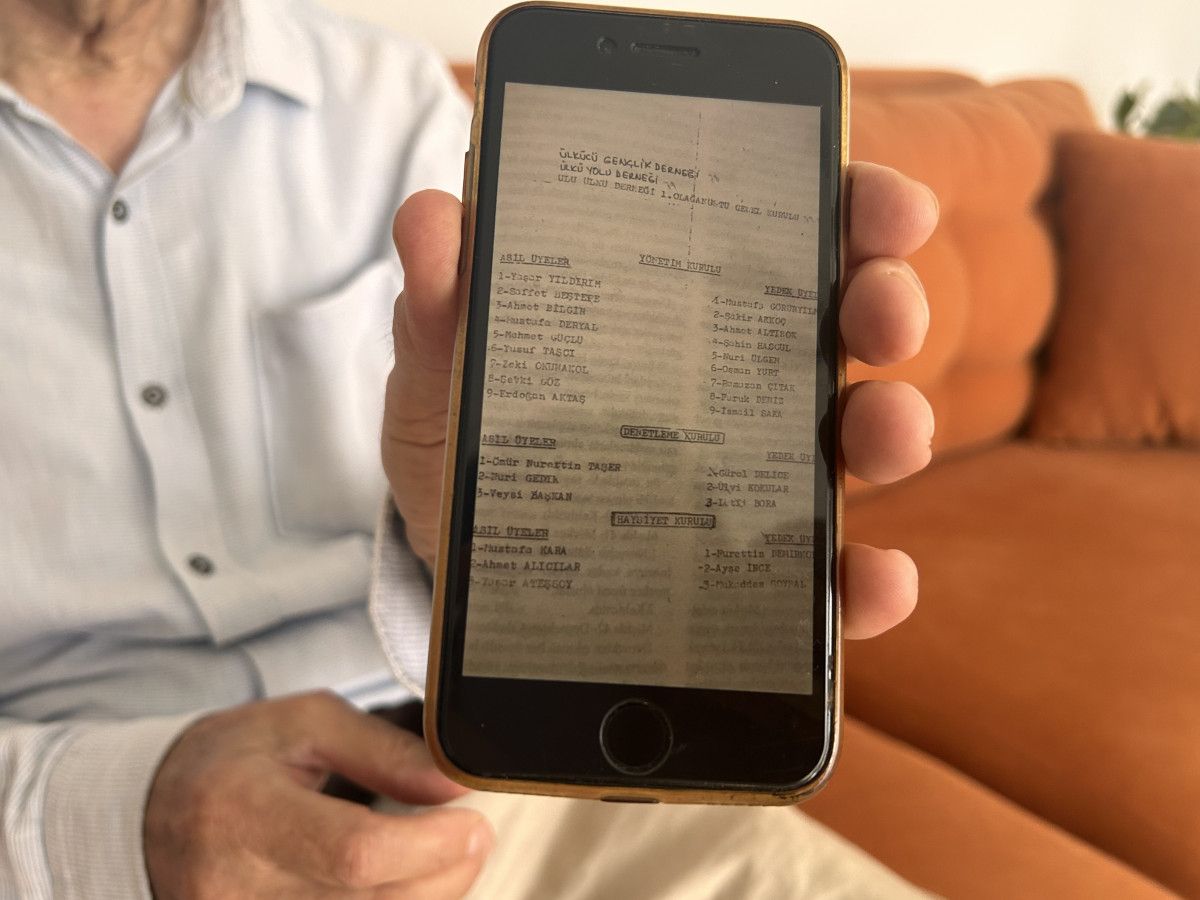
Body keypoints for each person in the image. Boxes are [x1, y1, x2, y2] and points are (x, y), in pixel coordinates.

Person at [0, 0, 938, 897]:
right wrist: (105, 821)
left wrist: (459, 551)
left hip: (494, 761)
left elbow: (498, 448)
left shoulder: (387, 93)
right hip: (60, 821)